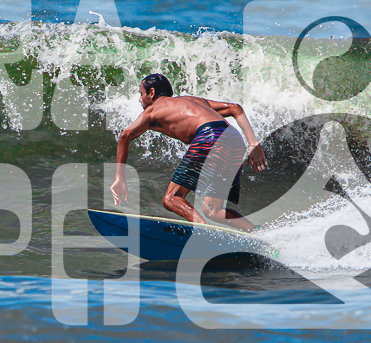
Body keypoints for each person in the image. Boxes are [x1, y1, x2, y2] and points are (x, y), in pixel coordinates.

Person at [110, 73, 268, 232]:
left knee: (171, 198)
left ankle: (204, 231)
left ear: (151, 93)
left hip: (210, 135)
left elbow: (125, 135)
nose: (139, 99)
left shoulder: (153, 110)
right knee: (213, 210)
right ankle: (257, 232)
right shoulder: (193, 101)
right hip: (234, 138)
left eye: (141, 93)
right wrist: (253, 143)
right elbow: (235, 108)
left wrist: (119, 178)